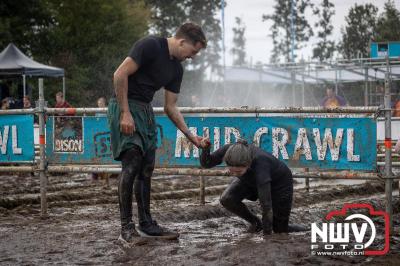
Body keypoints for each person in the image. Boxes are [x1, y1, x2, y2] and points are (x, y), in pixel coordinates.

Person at [109, 22, 208, 244]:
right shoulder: (150, 45)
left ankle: (147, 224)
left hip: (145, 109)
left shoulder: (177, 69)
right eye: (193, 51)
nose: (192, 57)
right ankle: (126, 228)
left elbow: (170, 107)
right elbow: (119, 74)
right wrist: (125, 113)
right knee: (132, 164)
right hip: (124, 104)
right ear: (182, 42)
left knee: (146, 169)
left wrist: (191, 136)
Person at [200, 139, 305, 235]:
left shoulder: (261, 163)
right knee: (227, 199)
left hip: (279, 184)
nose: (235, 174)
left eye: (238, 171)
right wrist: (205, 149)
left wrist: (266, 238)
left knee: (279, 230)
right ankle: (256, 223)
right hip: (250, 178)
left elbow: (266, 207)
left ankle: (308, 228)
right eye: (232, 171)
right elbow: (207, 163)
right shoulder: (229, 151)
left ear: (248, 164)